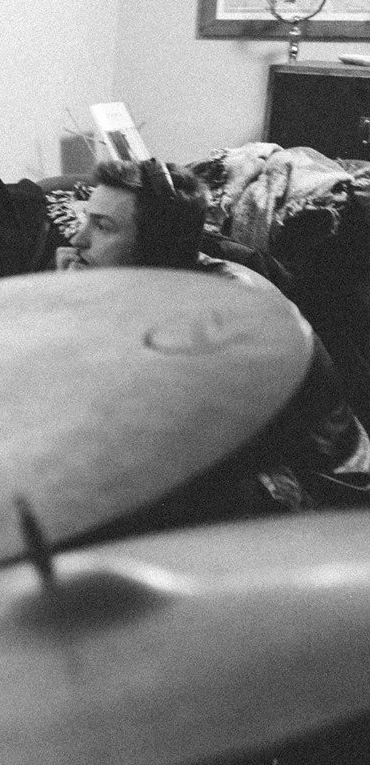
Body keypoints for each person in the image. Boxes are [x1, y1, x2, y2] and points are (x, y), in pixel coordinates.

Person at [58, 157, 370, 517]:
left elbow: (145, 426)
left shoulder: (225, 311)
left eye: (103, 226)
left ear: (156, 244)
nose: (77, 238)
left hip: (326, 494)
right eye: (86, 220)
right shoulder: (160, 279)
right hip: (248, 464)